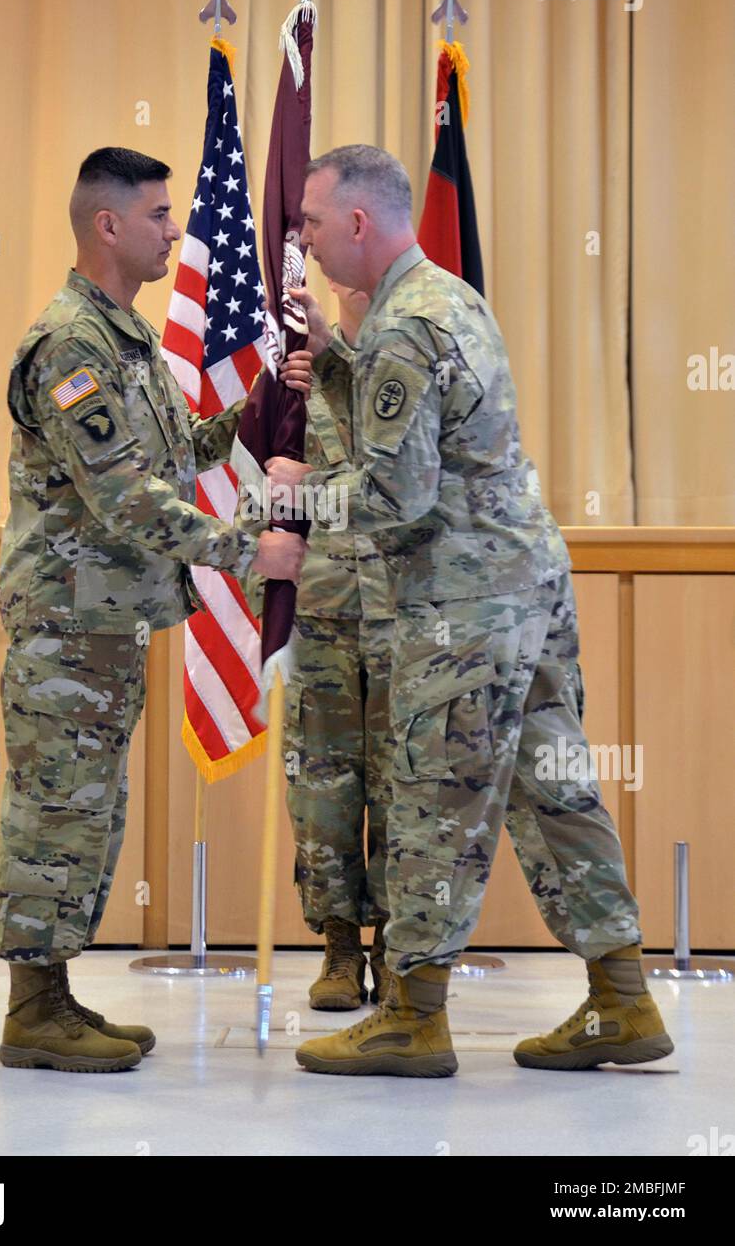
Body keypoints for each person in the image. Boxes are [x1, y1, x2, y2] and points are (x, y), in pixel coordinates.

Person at [267, 144, 673, 1077]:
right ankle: (622, 996)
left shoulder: (407, 326)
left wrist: (302, 494)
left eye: (314, 225)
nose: (308, 244)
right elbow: (428, 431)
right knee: (555, 786)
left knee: (430, 792)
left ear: (360, 224)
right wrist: (337, 368)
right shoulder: (447, 300)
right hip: (522, 590)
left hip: (462, 604)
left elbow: (396, 498)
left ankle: (414, 1013)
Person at [0, 146, 307, 1073]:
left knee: (89, 813)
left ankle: (52, 996)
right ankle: (31, 1009)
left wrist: (254, 411)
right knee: (55, 810)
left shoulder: (125, 339)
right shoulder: (71, 345)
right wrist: (249, 551)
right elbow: (125, 495)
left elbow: (172, 455)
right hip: (65, 624)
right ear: (109, 225)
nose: (176, 230)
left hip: (105, 620)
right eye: (162, 215)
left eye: (176, 215)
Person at [244, 281, 397, 1009]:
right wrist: (267, 611)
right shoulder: (293, 390)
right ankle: (339, 945)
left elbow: (413, 489)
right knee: (323, 795)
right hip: (321, 617)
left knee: (404, 790)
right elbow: (260, 505)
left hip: (405, 621)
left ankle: (402, 948)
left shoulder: (400, 388)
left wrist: (314, 488)